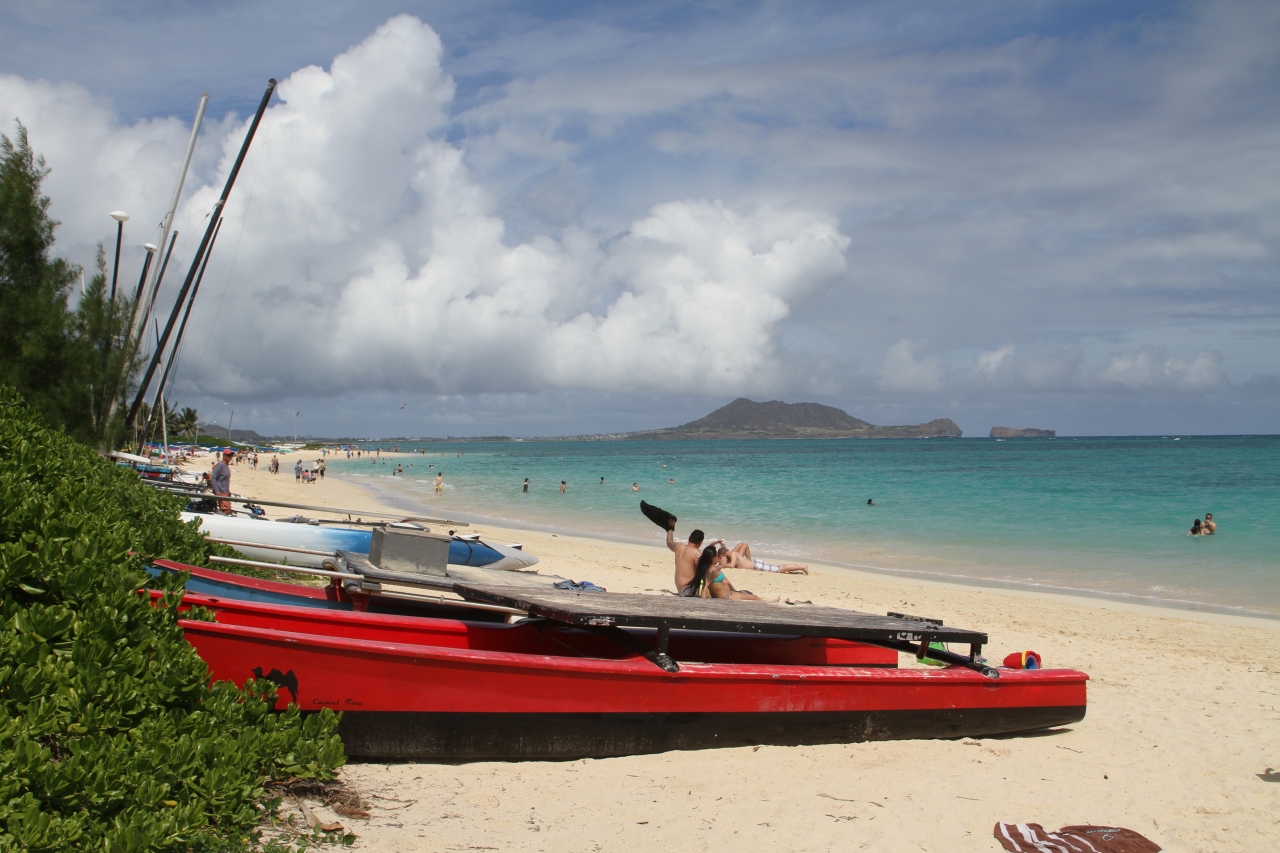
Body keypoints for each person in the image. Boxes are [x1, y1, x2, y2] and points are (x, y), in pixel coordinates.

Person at [691, 545, 761, 600]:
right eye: (716, 556)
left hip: (729, 594)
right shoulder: (712, 570)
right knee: (755, 597)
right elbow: (705, 587)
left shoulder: (708, 568)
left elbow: (719, 575)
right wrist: (704, 604)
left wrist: (721, 565)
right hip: (727, 596)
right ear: (712, 558)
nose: (718, 557)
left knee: (749, 594)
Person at [718, 543, 808, 575]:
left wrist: (722, 565)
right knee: (776, 567)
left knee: (779, 569)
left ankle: (803, 567)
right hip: (756, 564)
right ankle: (795, 566)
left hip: (756, 565)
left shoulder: (734, 554)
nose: (724, 559)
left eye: (723, 557)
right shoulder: (733, 554)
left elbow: (732, 565)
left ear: (725, 554)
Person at [669, 528, 706, 596]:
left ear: (689, 538)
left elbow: (669, 542)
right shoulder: (696, 553)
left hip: (680, 588)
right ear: (701, 542)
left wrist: (670, 528)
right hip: (689, 590)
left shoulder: (679, 546)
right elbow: (705, 571)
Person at [211, 449, 233, 514]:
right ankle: (221, 518)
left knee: (226, 509)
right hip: (221, 491)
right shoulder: (220, 465)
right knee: (227, 509)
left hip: (225, 491)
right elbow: (213, 478)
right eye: (228, 455)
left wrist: (228, 492)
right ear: (224, 456)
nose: (230, 456)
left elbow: (225, 480)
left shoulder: (226, 465)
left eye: (231, 455)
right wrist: (217, 491)